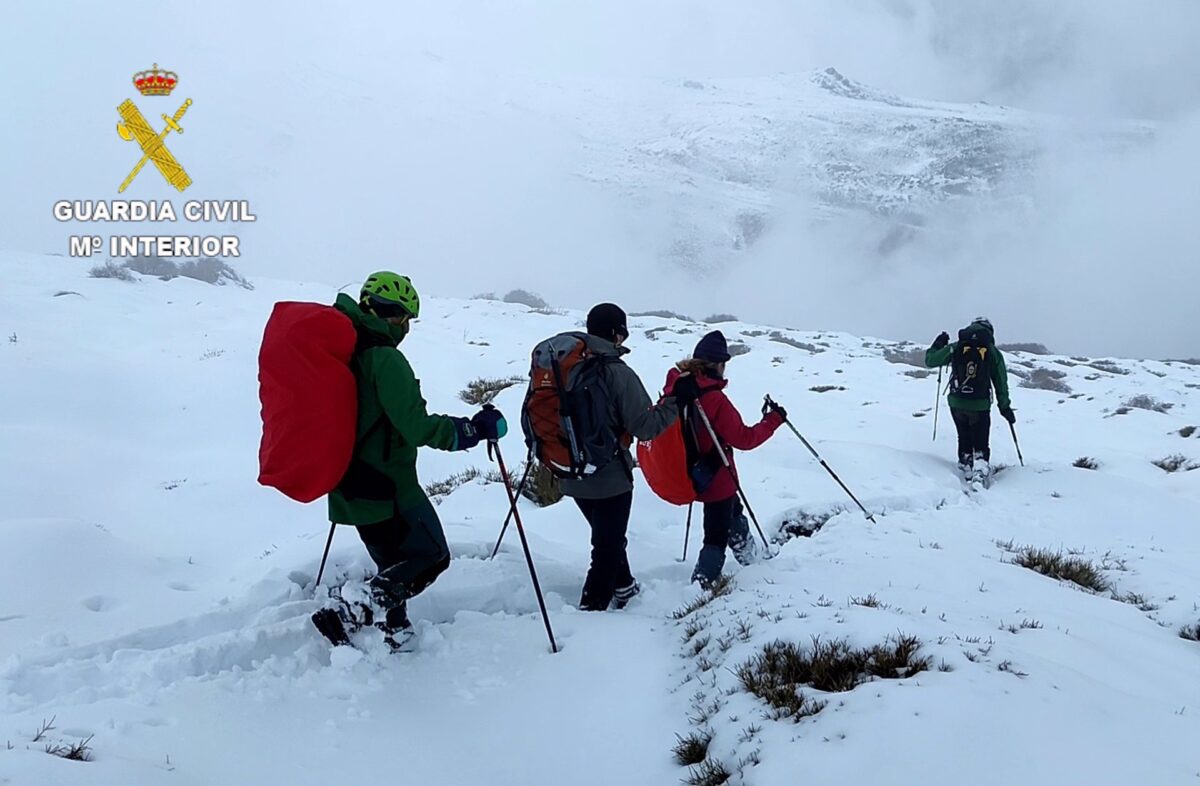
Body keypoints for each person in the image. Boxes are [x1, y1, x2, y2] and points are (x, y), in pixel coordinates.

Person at [311, 271, 506, 646]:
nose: (407, 327)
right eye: (405, 318)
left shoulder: (347, 353)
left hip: (349, 484)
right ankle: (350, 612)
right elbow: (417, 427)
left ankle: (395, 630)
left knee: (393, 563)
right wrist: (473, 430)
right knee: (432, 555)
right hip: (389, 486)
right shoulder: (384, 359)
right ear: (393, 315)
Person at [557, 303, 697, 611]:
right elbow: (645, 428)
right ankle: (590, 613)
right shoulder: (618, 373)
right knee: (606, 547)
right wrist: (675, 402)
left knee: (608, 536)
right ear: (617, 334)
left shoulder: (562, 364)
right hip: (608, 477)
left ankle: (624, 586)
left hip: (568, 471)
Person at [662, 330, 784, 589]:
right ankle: (702, 584)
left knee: (733, 511)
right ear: (717, 364)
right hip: (715, 475)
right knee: (715, 536)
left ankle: (749, 557)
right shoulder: (714, 398)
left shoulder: (676, 389)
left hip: (686, 470)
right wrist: (773, 421)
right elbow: (744, 439)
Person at [924, 317, 1014, 484]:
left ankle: (966, 465)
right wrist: (1005, 408)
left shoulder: (956, 347)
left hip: (957, 402)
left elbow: (930, 361)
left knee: (963, 436)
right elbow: (1001, 383)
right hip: (980, 404)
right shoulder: (992, 352)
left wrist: (937, 344)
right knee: (981, 441)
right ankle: (980, 471)